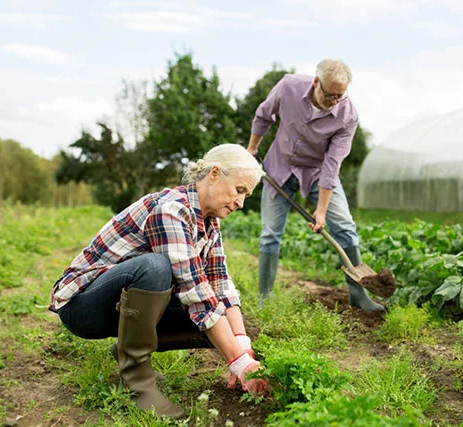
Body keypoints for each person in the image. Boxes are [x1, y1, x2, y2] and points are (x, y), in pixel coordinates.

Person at [48, 144, 270, 419]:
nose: (241, 203)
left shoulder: (209, 222)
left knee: (217, 319)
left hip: (121, 306)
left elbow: (220, 283)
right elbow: (197, 294)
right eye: (239, 191)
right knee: (155, 268)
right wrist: (238, 362)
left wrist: (243, 348)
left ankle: (127, 349)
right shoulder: (171, 210)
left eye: (246, 195)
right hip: (83, 307)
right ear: (214, 174)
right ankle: (138, 384)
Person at [247, 59, 384, 312]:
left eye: (339, 96)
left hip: (317, 173)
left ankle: (359, 296)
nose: (334, 101)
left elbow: (332, 166)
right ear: (316, 83)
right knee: (270, 234)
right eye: (330, 94)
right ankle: (264, 300)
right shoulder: (289, 86)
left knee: (344, 227)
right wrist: (252, 150)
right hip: (280, 166)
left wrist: (321, 210)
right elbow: (264, 115)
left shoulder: (347, 116)